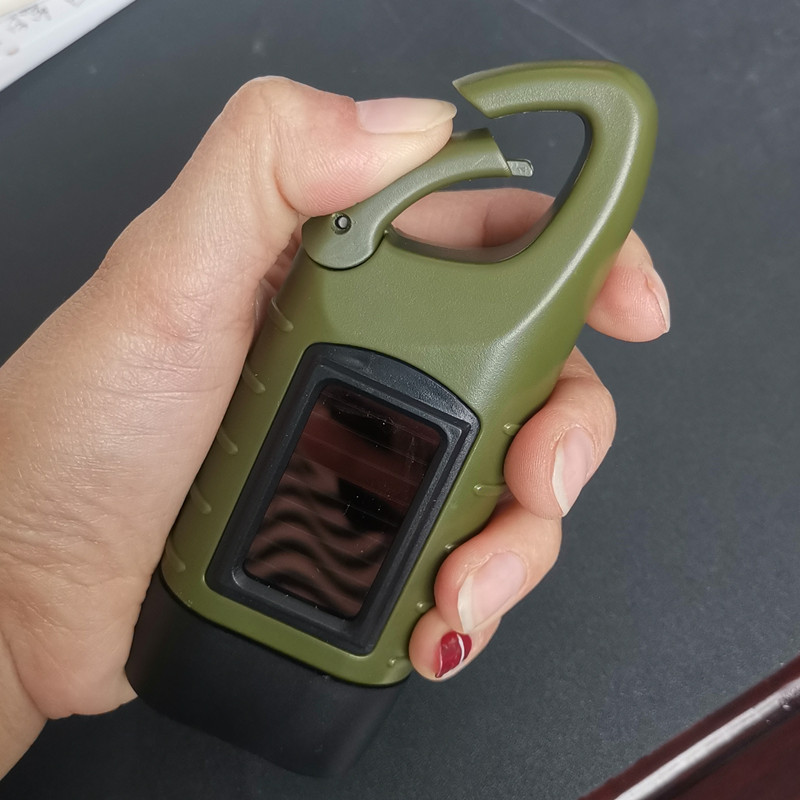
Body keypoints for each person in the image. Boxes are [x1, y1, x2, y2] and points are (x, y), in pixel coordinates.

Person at [0, 77, 670, 776]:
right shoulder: (347, 265)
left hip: (217, 649)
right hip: (250, 661)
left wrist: (16, 611)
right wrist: (16, 596)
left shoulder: (343, 261)